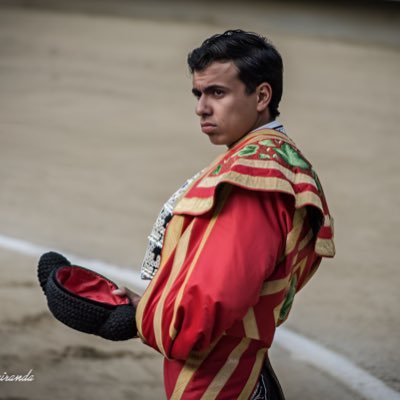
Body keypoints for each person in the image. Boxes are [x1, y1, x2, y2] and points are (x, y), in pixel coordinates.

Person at [113, 29, 335, 400]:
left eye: (217, 92)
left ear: (262, 95)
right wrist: (145, 306)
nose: (201, 107)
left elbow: (209, 304)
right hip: (240, 360)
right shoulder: (276, 159)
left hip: (222, 377)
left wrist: (146, 320)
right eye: (198, 94)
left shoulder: (254, 180)